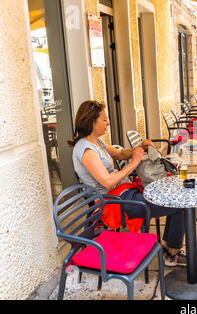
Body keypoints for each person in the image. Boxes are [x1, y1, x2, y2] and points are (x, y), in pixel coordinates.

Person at [67, 100, 187, 267]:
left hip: (125, 193)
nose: (108, 123)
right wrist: (133, 164)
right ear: (91, 121)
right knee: (180, 203)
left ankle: (170, 248)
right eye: (104, 119)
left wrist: (140, 148)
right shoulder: (86, 150)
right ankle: (172, 253)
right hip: (117, 203)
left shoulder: (97, 143)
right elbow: (107, 182)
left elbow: (121, 154)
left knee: (176, 197)